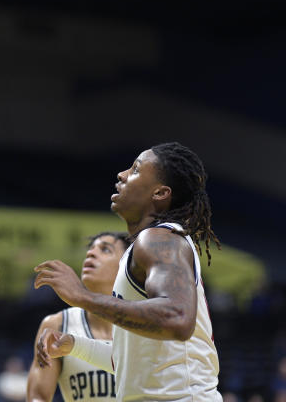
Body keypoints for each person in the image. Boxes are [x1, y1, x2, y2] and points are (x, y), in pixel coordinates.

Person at [33, 142, 222, 401]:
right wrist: (74, 345)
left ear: (160, 193)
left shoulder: (159, 239)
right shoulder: (147, 246)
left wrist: (82, 296)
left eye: (135, 170)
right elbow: (129, 361)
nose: (121, 174)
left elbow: (177, 319)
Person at [26, 231, 129, 402]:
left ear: (126, 264)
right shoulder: (58, 324)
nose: (91, 252)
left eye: (105, 249)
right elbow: (38, 396)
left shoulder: (144, 322)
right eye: (91, 248)